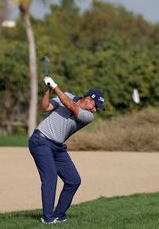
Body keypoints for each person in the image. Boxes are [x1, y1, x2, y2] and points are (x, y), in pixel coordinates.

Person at [28, 75, 105, 224]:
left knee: (73, 180)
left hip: (57, 148)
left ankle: (59, 215)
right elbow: (44, 108)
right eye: (96, 106)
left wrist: (55, 85)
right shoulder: (67, 96)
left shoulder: (88, 117)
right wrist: (47, 90)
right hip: (41, 141)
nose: (95, 110)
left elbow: (71, 106)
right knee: (50, 177)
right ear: (89, 98)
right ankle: (48, 218)